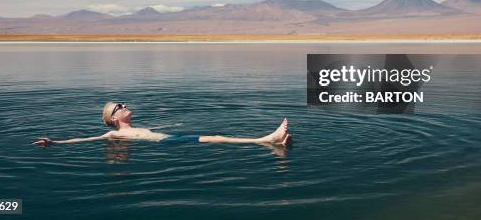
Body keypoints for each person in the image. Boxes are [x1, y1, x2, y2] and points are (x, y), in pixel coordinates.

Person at [33, 102, 292, 147]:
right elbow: (85, 140)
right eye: (118, 107)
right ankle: (266, 140)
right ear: (113, 119)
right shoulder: (112, 134)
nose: (124, 107)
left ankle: (275, 143)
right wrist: (55, 142)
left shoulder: (137, 127)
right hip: (167, 142)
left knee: (214, 136)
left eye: (122, 104)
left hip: (170, 139)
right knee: (214, 137)